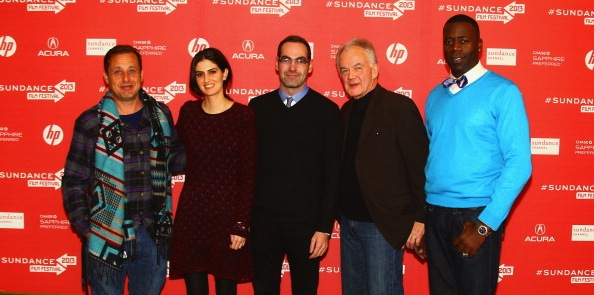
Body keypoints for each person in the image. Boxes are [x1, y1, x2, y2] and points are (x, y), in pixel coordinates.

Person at [61, 45, 185, 295]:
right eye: (118, 72)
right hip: (106, 237)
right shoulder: (90, 122)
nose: (126, 79)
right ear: (106, 78)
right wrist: (88, 230)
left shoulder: (161, 116)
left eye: (132, 71)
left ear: (141, 75)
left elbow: (178, 162)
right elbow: (73, 182)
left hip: (152, 235)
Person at [423, 14, 532, 295]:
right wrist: (425, 219)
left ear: (479, 45)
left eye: (463, 40)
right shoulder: (435, 96)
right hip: (435, 214)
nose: (456, 48)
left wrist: (485, 225)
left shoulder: (504, 92)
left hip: (475, 217)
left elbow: (520, 164)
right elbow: (432, 159)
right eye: (449, 41)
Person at [248, 35, 341, 295]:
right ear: (276, 64)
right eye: (286, 60)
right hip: (263, 225)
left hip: (307, 227)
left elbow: (332, 175)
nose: (292, 67)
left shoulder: (327, 111)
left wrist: (324, 228)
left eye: (300, 60)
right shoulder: (257, 108)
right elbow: (247, 170)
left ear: (310, 66)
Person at [335, 38, 428, 295]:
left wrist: (421, 219)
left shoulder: (399, 108)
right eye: (344, 70)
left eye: (358, 67)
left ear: (374, 69)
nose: (351, 75)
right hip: (348, 223)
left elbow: (420, 167)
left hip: (382, 226)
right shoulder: (345, 111)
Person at [169, 48, 257, 295]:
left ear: (225, 73)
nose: (206, 79)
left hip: (228, 218)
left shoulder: (243, 116)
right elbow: (173, 155)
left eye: (212, 72)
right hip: (193, 215)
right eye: (199, 74)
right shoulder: (189, 112)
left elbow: (248, 175)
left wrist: (240, 225)